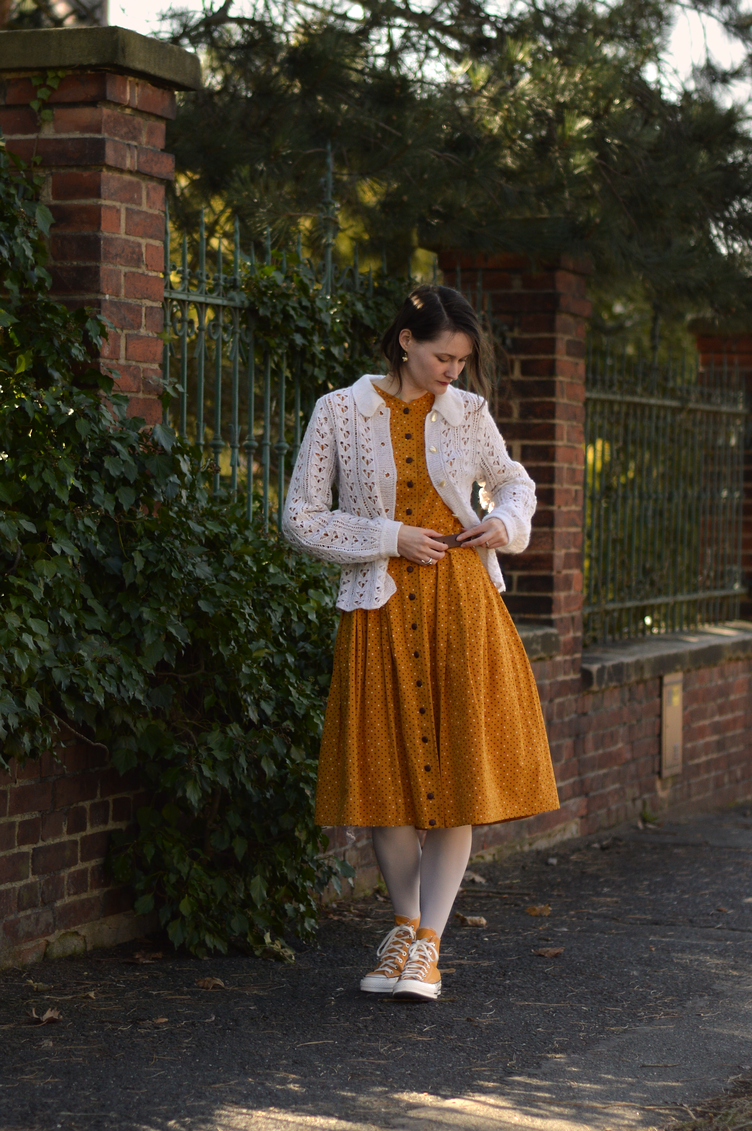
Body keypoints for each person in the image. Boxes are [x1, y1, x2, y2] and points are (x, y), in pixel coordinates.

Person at [282, 284, 559, 1002]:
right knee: (386, 784)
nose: (453, 371)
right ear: (406, 340)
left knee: (457, 774)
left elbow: (515, 482)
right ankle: (403, 928)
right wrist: (388, 537)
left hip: (462, 609)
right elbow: (300, 519)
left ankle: (428, 944)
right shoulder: (338, 411)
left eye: (462, 360)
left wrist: (502, 522)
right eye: (443, 355)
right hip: (379, 609)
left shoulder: (469, 414)